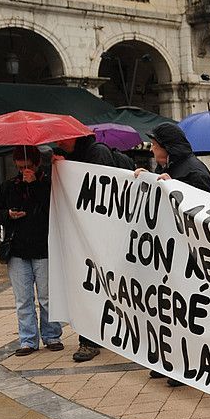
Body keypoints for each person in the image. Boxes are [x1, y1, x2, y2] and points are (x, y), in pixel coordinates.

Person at [134, 122, 210, 386]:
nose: (151, 149)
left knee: (188, 312)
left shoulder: (194, 172)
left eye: (155, 145)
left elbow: (209, 210)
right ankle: (169, 360)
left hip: (190, 257)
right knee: (168, 309)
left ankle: (188, 366)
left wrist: (178, 192)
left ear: (167, 148)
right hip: (170, 254)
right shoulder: (169, 168)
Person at [0, 147, 61, 355]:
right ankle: (28, 340)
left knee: (47, 296)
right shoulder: (8, 186)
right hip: (17, 249)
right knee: (23, 299)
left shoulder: (48, 184)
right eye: (21, 167)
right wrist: (8, 214)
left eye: (28, 167)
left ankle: (51, 335)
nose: (25, 171)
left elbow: (54, 209)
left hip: (43, 247)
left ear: (37, 164)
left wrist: (35, 185)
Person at [57, 133, 119, 361]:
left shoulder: (97, 153)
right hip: (83, 235)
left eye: (63, 139)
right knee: (87, 285)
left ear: (75, 137)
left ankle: (93, 339)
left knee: (98, 285)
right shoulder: (69, 156)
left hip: (100, 236)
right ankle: (90, 337)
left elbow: (102, 190)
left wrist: (69, 171)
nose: (59, 142)